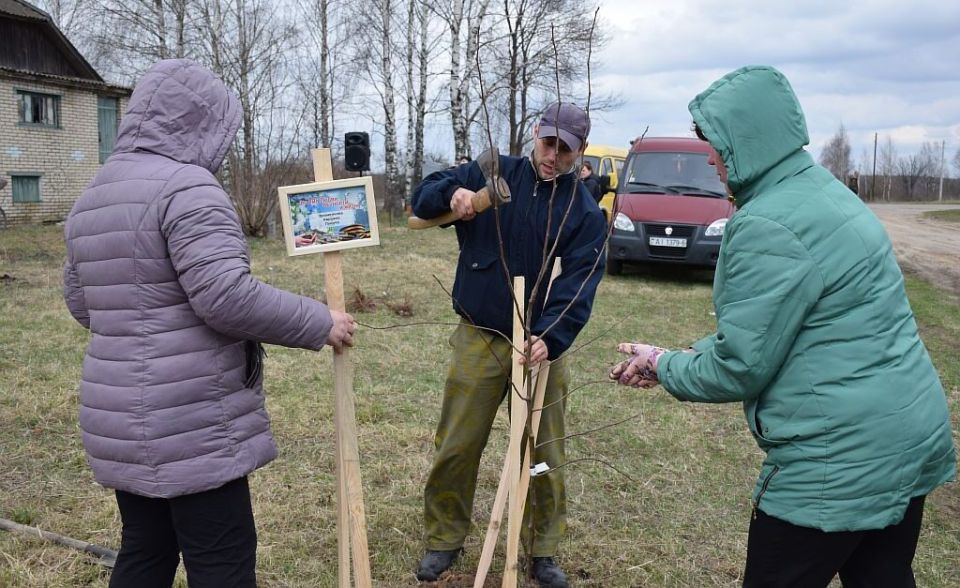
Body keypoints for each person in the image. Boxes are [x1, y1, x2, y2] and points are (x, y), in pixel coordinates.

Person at [608, 65, 955, 587]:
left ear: (749, 142)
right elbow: (774, 332)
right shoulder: (827, 193)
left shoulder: (768, 222)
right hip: (906, 436)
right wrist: (675, 357)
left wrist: (662, 364)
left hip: (835, 462)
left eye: (718, 145)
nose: (712, 159)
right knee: (882, 576)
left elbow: (740, 367)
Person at [62, 59, 356, 588]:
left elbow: (83, 305)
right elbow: (226, 298)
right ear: (201, 121)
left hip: (118, 417)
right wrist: (321, 322)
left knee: (145, 551)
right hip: (189, 419)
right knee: (222, 561)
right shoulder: (189, 189)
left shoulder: (94, 195)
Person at [411, 102, 606, 587]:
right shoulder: (494, 170)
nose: (553, 156)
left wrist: (550, 337)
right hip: (481, 333)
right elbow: (422, 199)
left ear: (580, 152)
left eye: (566, 149)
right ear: (535, 136)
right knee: (458, 443)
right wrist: (454, 192)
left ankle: (542, 550)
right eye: (548, 143)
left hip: (539, 346)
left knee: (543, 452)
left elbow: (580, 283)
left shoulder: (582, 211)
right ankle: (445, 537)